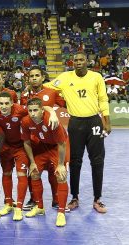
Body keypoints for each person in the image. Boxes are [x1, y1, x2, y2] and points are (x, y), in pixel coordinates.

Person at [45, 51, 111, 213]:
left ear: (87, 62)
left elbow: (103, 99)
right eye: (76, 60)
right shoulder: (66, 77)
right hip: (75, 123)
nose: (78, 62)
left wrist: (106, 121)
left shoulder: (96, 77)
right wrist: (34, 85)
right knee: (74, 161)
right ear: (72, 62)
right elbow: (47, 87)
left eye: (82, 59)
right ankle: (74, 197)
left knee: (97, 160)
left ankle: (97, 199)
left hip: (94, 121)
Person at [20, 65, 67, 211]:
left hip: (51, 136)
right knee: (32, 169)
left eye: (36, 76)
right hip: (34, 139)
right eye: (31, 76)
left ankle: (56, 199)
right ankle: (34, 199)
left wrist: (53, 113)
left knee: (55, 171)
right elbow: (23, 112)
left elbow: (64, 106)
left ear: (42, 77)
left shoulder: (52, 93)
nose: (34, 78)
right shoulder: (24, 94)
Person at [21, 98, 69, 227]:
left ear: (42, 110)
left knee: (61, 176)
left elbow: (62, 144)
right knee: (34, 173)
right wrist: (32, 162)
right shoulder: (26, 121)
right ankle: (40, 207)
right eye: (30, 110)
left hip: (59, 147)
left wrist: (60, 164)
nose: (33, 113)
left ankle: (61, 212)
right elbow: (26, 142)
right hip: (44, 147)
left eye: (36, 110)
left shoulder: (51, 121)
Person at [0, 92, 29, 220]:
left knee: (21, 175)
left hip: (20, 147)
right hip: (5, 147)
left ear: (12, 103)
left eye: (7, 103)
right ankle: (8, 203)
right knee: (6, 174)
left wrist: (52, 113)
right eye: (1, 103)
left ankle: (19, 208)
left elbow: (42, 109)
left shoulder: (20, 109)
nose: (4, 106)